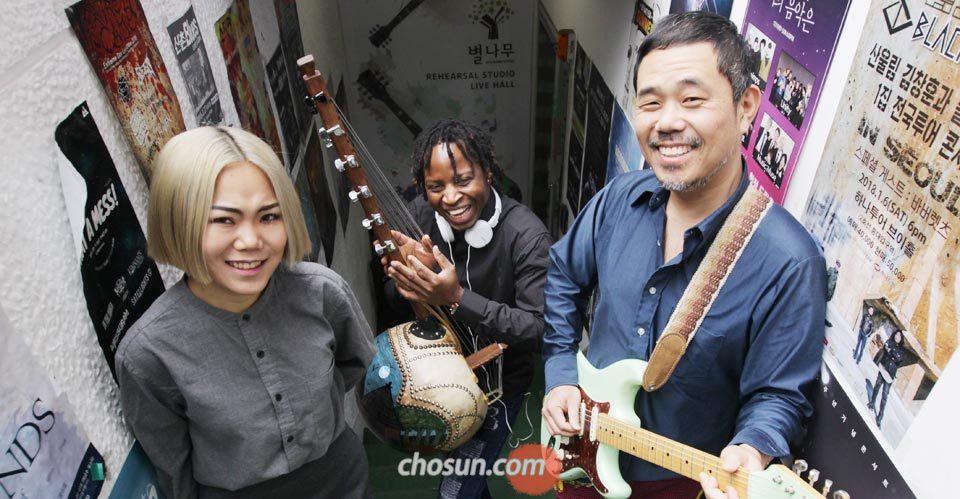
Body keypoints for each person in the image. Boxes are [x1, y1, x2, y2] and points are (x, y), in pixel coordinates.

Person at [541, 12, 826, 499]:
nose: (667, 122)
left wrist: (753, 448)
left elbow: (778, 394)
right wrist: (561, 375)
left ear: (746, 106)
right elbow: (564, 274)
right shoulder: (620, 199)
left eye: (692, 100)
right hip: (581, 453)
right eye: (651, 102)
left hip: (676, 483)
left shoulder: (788, 261)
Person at [116, 126, 375, 499]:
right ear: (179, 221)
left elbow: (351, 365)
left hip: (344, 479)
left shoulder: (320, 292)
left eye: (268, 217)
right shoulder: (148, 353)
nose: (252, 241)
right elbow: (173, 467)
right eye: (224, 220)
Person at [381, 119, 553, 498]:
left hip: (498, 389)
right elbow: (392, 303)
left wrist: (457, 297)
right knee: (468, 487)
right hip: (443, 378)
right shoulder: (421, 217)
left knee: (455, 492)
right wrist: (406, 280)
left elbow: (540, 329)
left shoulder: (526, 236)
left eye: (463, 180)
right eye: (436, 187)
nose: (451, 197)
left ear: (487, 172)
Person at [868, 330, 905, 427]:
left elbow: (898, 359)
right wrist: (892, 355)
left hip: (890, 375)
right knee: (876, 386)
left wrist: (891, 352)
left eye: (899, 336)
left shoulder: (902, 350)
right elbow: (886, 348)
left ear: (901, 339)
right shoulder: (889, 341)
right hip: (883, 368)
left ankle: (880, 417)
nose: (897, 337)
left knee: (884, 396)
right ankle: (872, 402)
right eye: (896, 334)